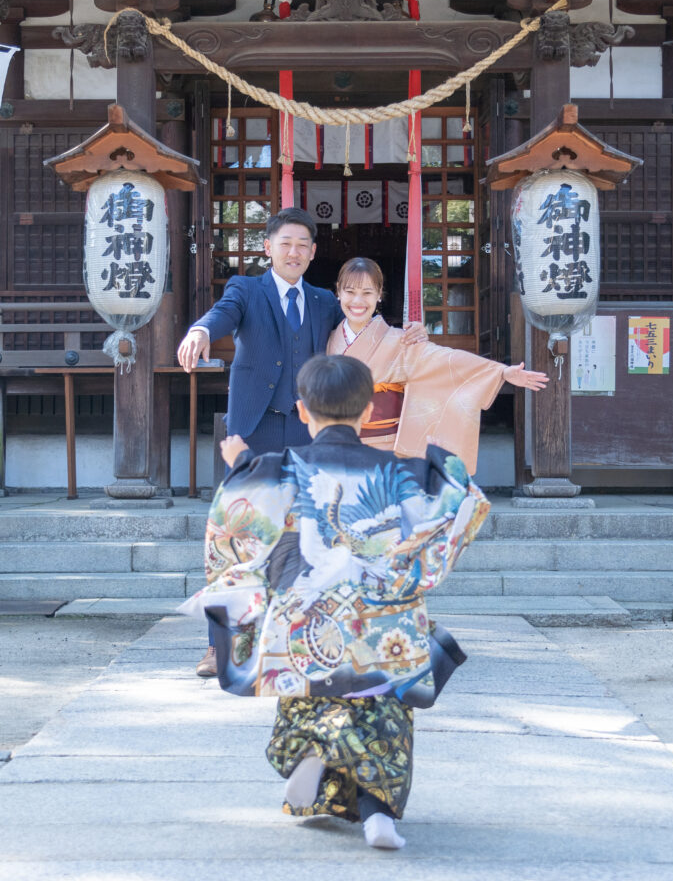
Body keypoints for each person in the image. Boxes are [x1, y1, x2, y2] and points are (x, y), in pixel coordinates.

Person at [180, 354, 489, 850]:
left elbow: (241, 514)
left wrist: (239, 462)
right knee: (384, 707)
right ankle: (379, 816)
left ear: (303, 411)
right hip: (380, 622)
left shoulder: (282, 466)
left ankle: (314, 750)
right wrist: (446, 465)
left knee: (310, 693)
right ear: (368, 411)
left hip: (308, 621)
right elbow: (457, 503)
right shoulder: (401, 471)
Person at [176, 211, 426, 676]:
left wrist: (409, 333)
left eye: (303, 245)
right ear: (268, 247)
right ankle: (220, 645)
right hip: (253, 430)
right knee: (238, 534)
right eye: (285, 243)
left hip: (311, 431)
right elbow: (222, 315)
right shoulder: (246, 290)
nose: (294, 252)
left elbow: (361, 325)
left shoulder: (324, 301)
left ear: (313, 253)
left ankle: (301, 635)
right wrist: (201, 330)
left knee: (307, 534)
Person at [327, 257, 549, 472]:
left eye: (367, 293)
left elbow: (447, 361)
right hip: (339, 445)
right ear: (338, 292)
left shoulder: (401, 340)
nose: (358, 301)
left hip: (387, 447)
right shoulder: (328, 340)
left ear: (379, 295)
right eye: (350, 292)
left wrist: (501, 372)